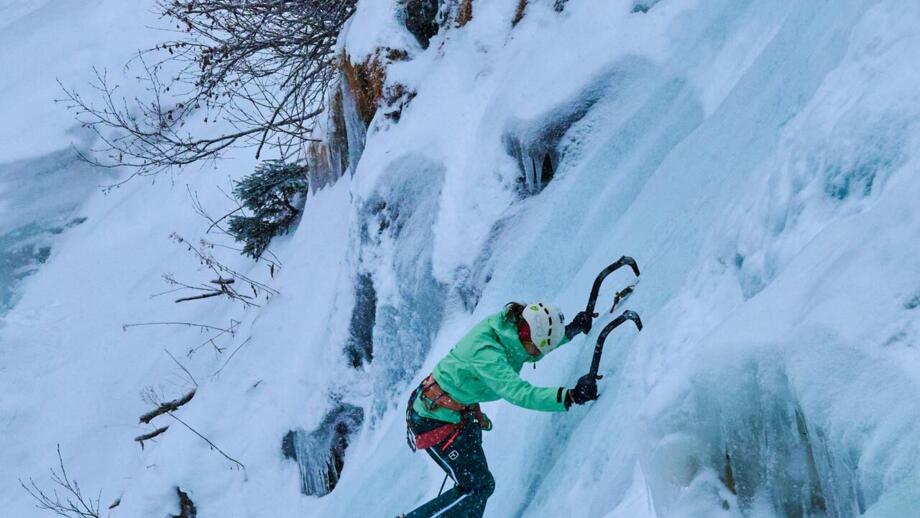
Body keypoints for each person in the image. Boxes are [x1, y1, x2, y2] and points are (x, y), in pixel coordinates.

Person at [399, 302, 600, 518]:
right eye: (538, 347)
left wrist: (569, 331)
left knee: (477, 487)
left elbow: (531, 350)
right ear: (527, 336)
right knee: (478, 486)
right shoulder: (487, 352)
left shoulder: (510, 329)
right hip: (433, 419)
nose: (537, 354)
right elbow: (519, 392)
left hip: (454, 413)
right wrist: (569, 396)